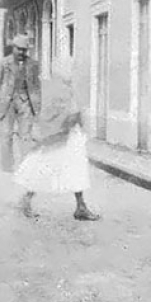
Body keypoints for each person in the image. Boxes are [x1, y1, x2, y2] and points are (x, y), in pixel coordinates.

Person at [13, 71, 99, 220]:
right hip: (61, 136)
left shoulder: (67, 90)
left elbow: (74, 111)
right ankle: (25, 200)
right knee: (44, 166)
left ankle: (81, 206)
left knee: (76, 168)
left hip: (71, 135)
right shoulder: (58, 91)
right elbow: (60, 113)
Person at [0, 35, 41, 172]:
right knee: (6, 134)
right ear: (13, 48)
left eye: (24, 50)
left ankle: (25, 167)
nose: (21, 52)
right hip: (6, 103)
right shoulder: (4, 62)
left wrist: (37, 105)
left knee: (25, 135)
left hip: (26, 102)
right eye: (18, 49)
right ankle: (7, 167)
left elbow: (37, 86)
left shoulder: (33, 64)